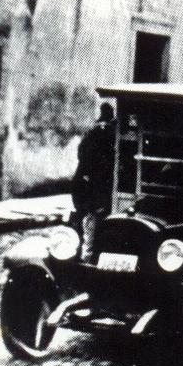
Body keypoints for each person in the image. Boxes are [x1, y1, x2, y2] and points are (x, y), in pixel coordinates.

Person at [72, 103, 115, 261]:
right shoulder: (105, 133)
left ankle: (88, 257)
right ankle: (88, 258)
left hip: (89, 185)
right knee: (92, 223)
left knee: (89, 225)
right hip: (95, 186)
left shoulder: (92, 132)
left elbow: (82, 154)